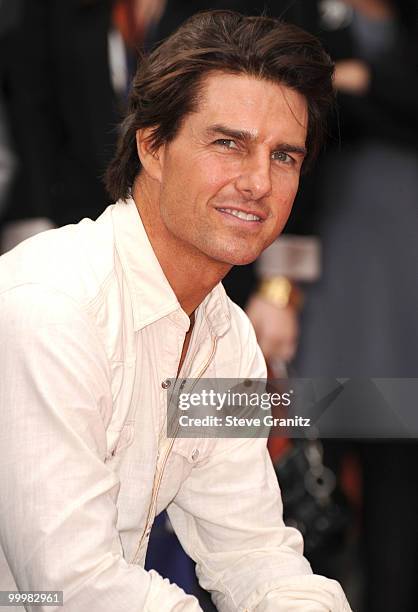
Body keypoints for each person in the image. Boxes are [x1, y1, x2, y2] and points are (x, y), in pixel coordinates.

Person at [0, 10, 352, 611]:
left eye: (284, 157)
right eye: (228, 144)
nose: (258, 183)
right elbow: (65, 590)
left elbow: (252, 551)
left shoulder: (227, 335)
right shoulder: (54, 307)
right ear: (152, 146)